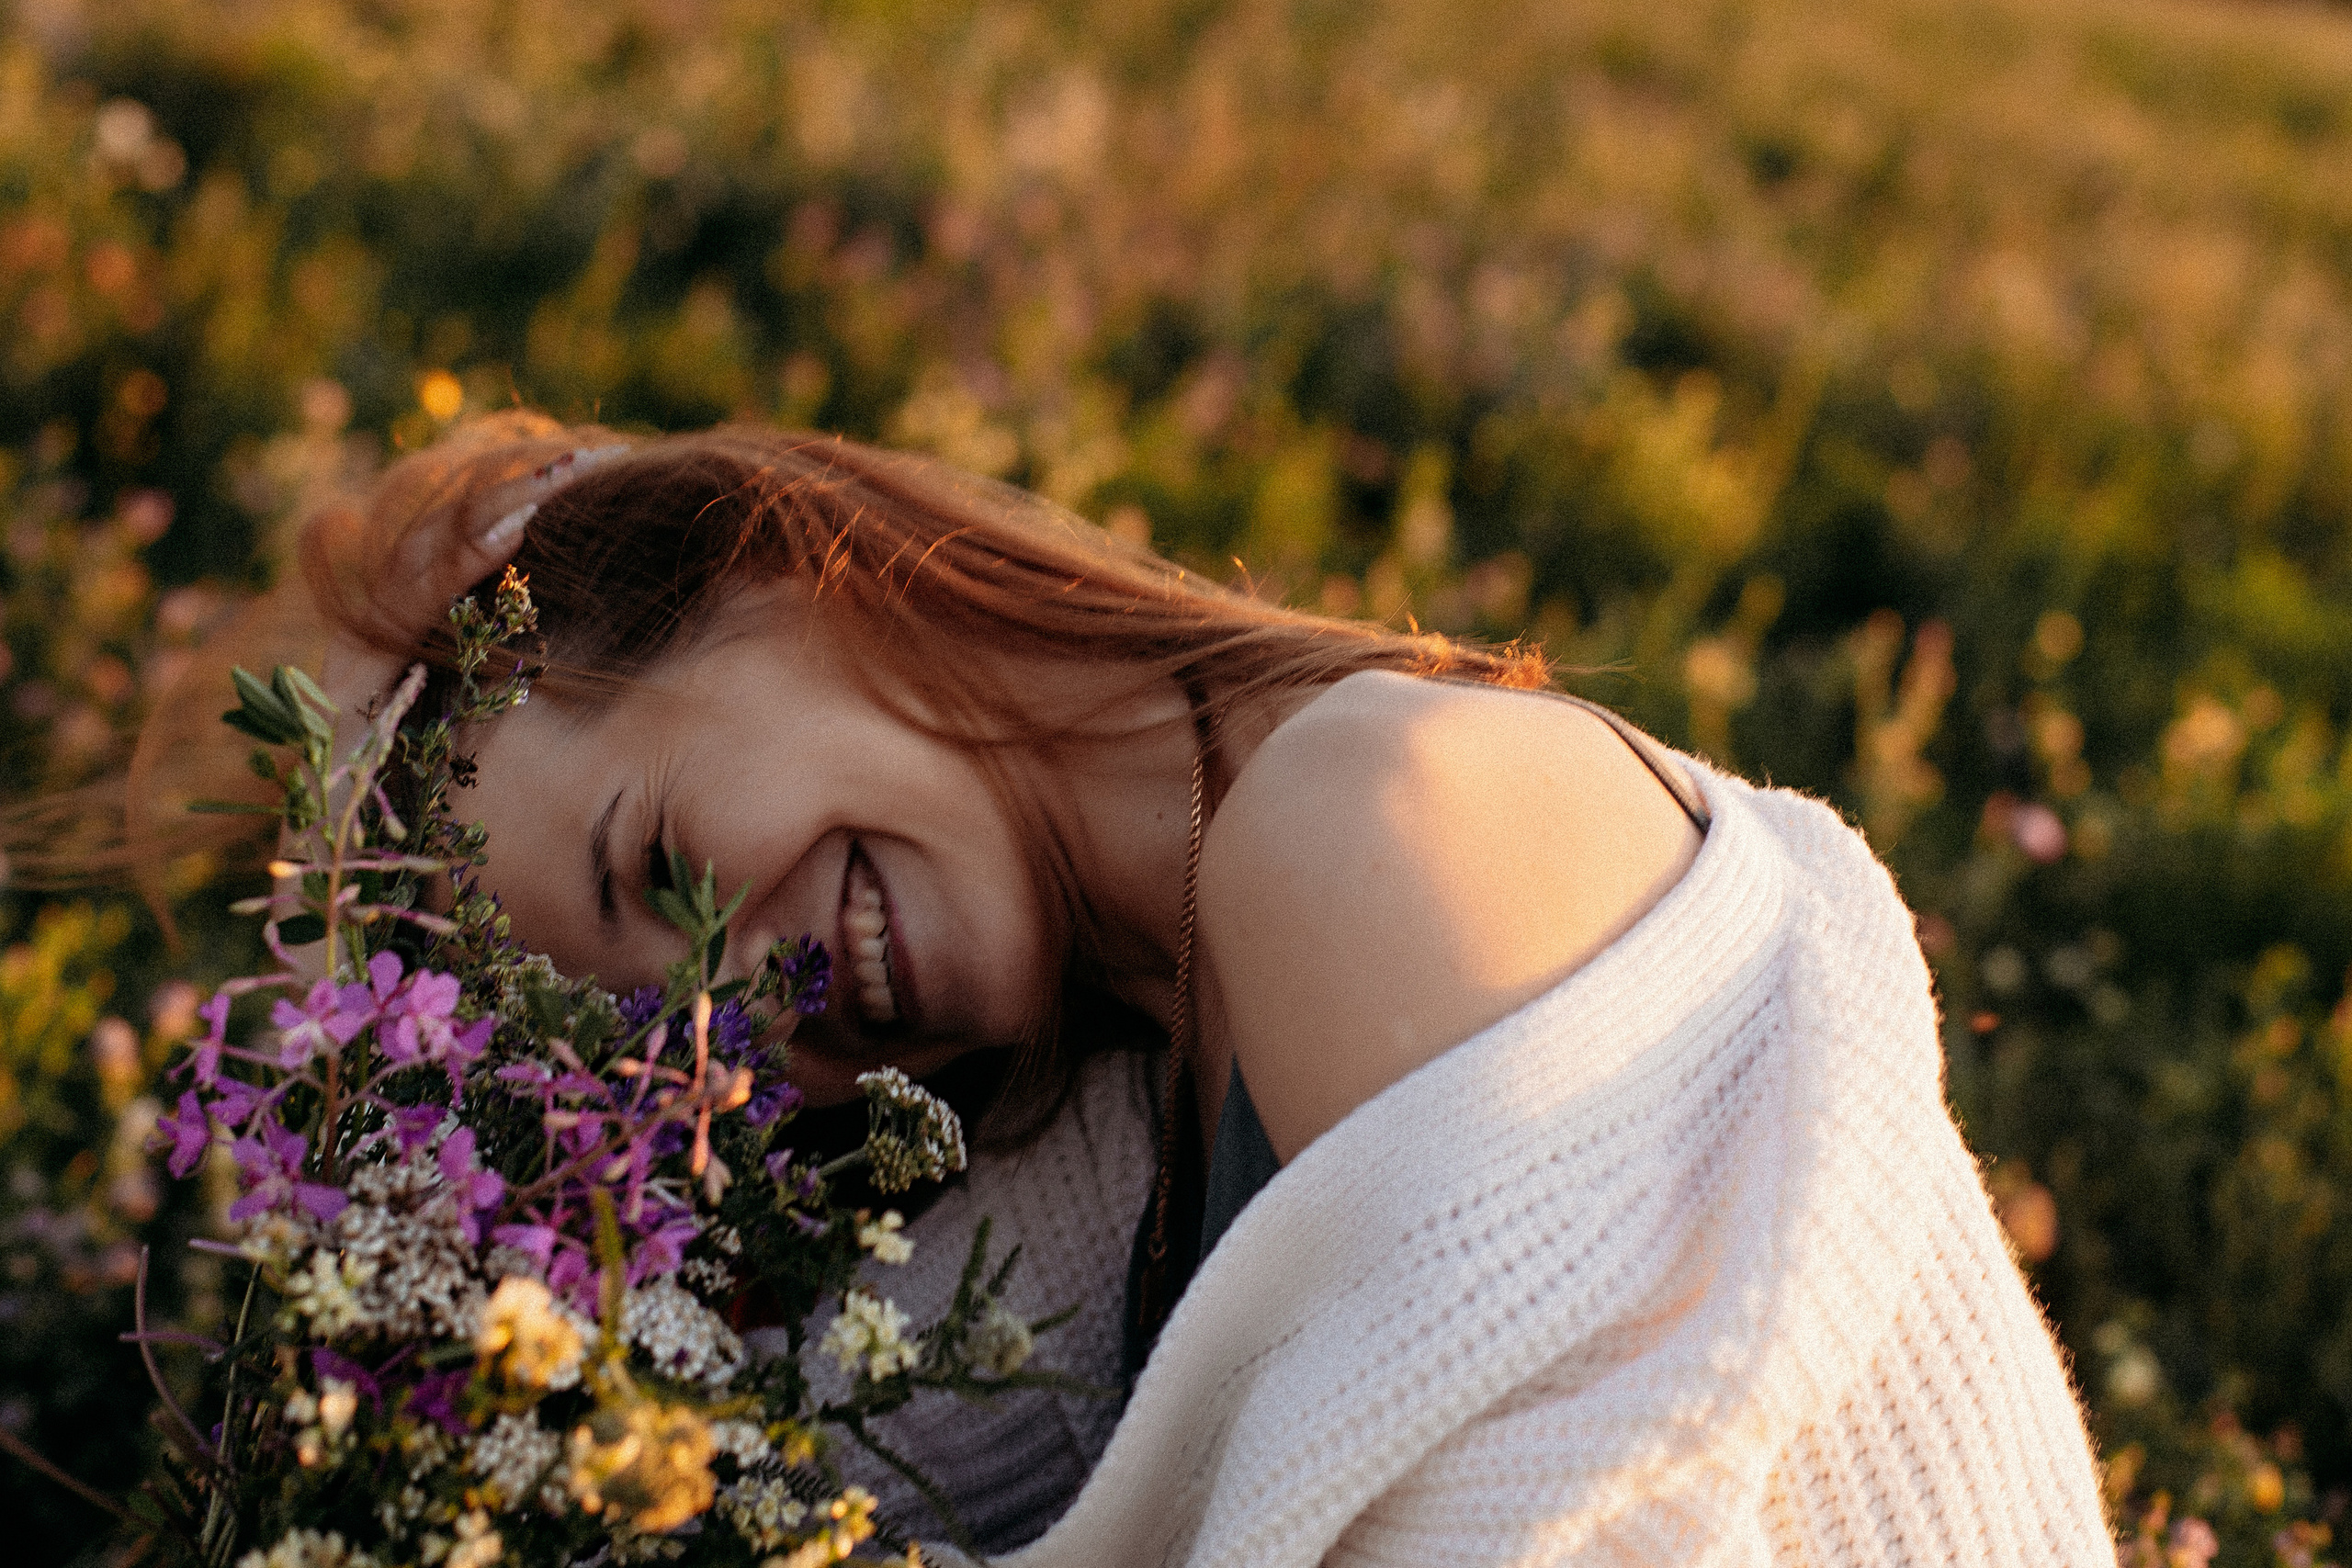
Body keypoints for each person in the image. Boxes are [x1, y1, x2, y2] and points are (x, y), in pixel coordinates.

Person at [139, 412, 2115, 1565]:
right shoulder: (1107, 1112)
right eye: (653, 1035)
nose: (735, 1014)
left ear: (785, 563)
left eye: (651, 860)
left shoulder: (1367, 822)